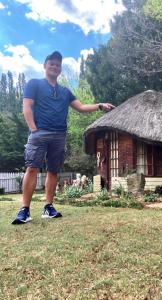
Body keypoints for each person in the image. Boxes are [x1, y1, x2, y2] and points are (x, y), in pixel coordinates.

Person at [12, 51, 114, 225]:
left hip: (59, 135)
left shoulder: (65, 92)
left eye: (58, 65)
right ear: (45, 66)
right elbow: (27, 107)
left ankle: (48, 207)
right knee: (32, 168)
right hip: (39, 133)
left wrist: (99, 105)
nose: (54, 67)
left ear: (60, 69)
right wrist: (34, 130)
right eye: (51, 63)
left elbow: (80, 107)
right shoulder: (34, 84)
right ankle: (25, 210)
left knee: (53, 171)